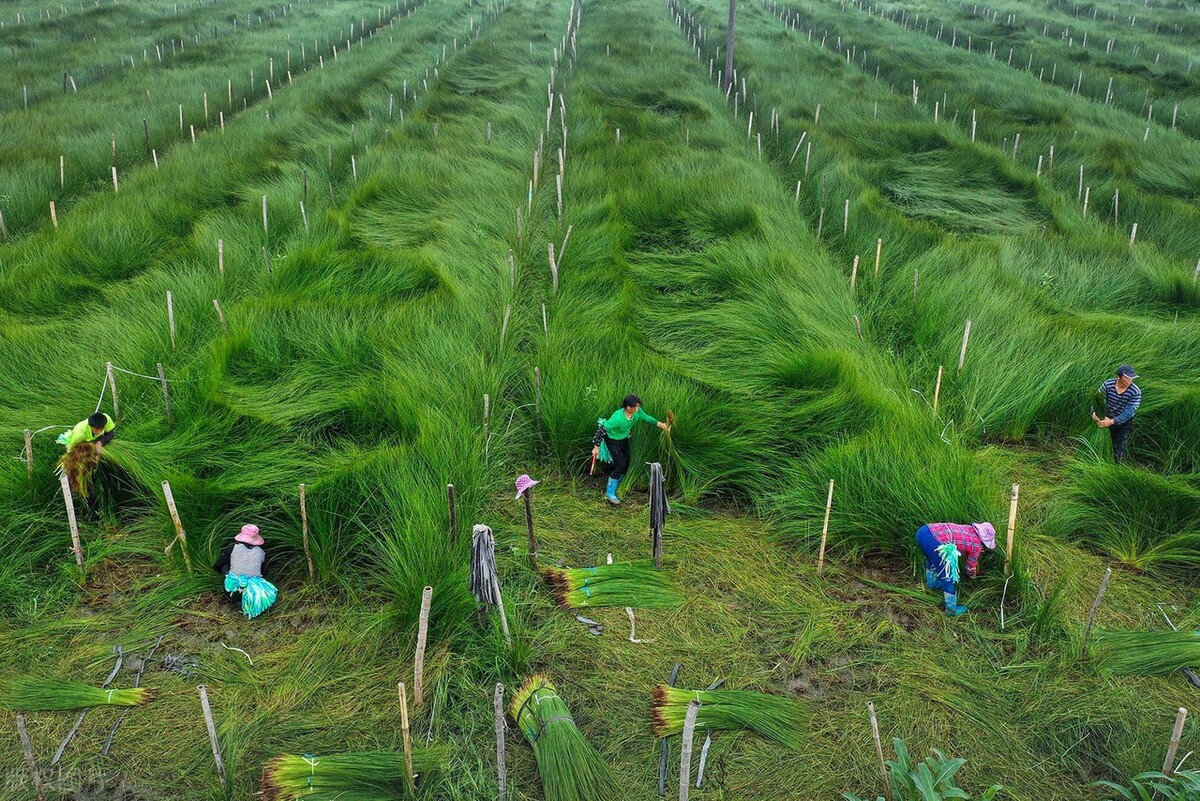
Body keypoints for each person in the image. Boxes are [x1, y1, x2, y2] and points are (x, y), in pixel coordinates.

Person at [590, 394, 671, 505]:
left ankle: (618, 485)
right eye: (635, 407)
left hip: (624, 439)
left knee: (626, 463)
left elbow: (647, 418)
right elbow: (602, 429)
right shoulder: (617, 418)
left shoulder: (637, 413)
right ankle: (610, 493)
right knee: (620, 466)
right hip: (613, 441)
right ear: (628, 408)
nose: (638, 409)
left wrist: (661, 425)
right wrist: (596, 447)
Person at [915, 521, 996, 616]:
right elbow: (970, 567)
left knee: (932, 560)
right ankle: (951, 609)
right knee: (947, 574)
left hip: (924, 531)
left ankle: (932, 583)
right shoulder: (977, 547)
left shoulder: (968, 528)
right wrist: (973, 576)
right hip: (937, 542)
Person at [214, 524, 278, 619]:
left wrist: (225, 572)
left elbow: (218, 565)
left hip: (232, 590)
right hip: (254, 591)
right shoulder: (261, 552)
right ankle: (248, 600)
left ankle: (234, 594)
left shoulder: (233, 548)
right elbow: (265, 571)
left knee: (224, 564)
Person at [1091, 365, 1141, 463]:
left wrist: (1112, 421)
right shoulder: (1108, 384)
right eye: (1127, 378)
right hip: (1105, 417)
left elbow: (1129, 412)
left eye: (1131, 378)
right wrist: (1094, 413)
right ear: (1119, 377)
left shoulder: (1135, 392)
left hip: (1123, 422)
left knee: (1119, 446)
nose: (1129, 381)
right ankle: (1100, 461)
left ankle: (1117, 466)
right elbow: (1097, 399)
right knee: (1103, 443)